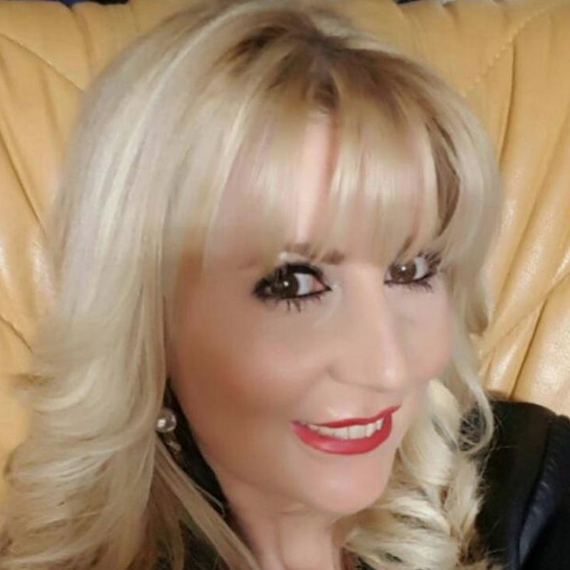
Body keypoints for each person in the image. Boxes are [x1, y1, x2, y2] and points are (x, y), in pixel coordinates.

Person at [0, 0, 511, 569]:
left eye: (411, 270)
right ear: (148, 319)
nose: (388, 368)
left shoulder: (530, 489)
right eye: (295, 283)